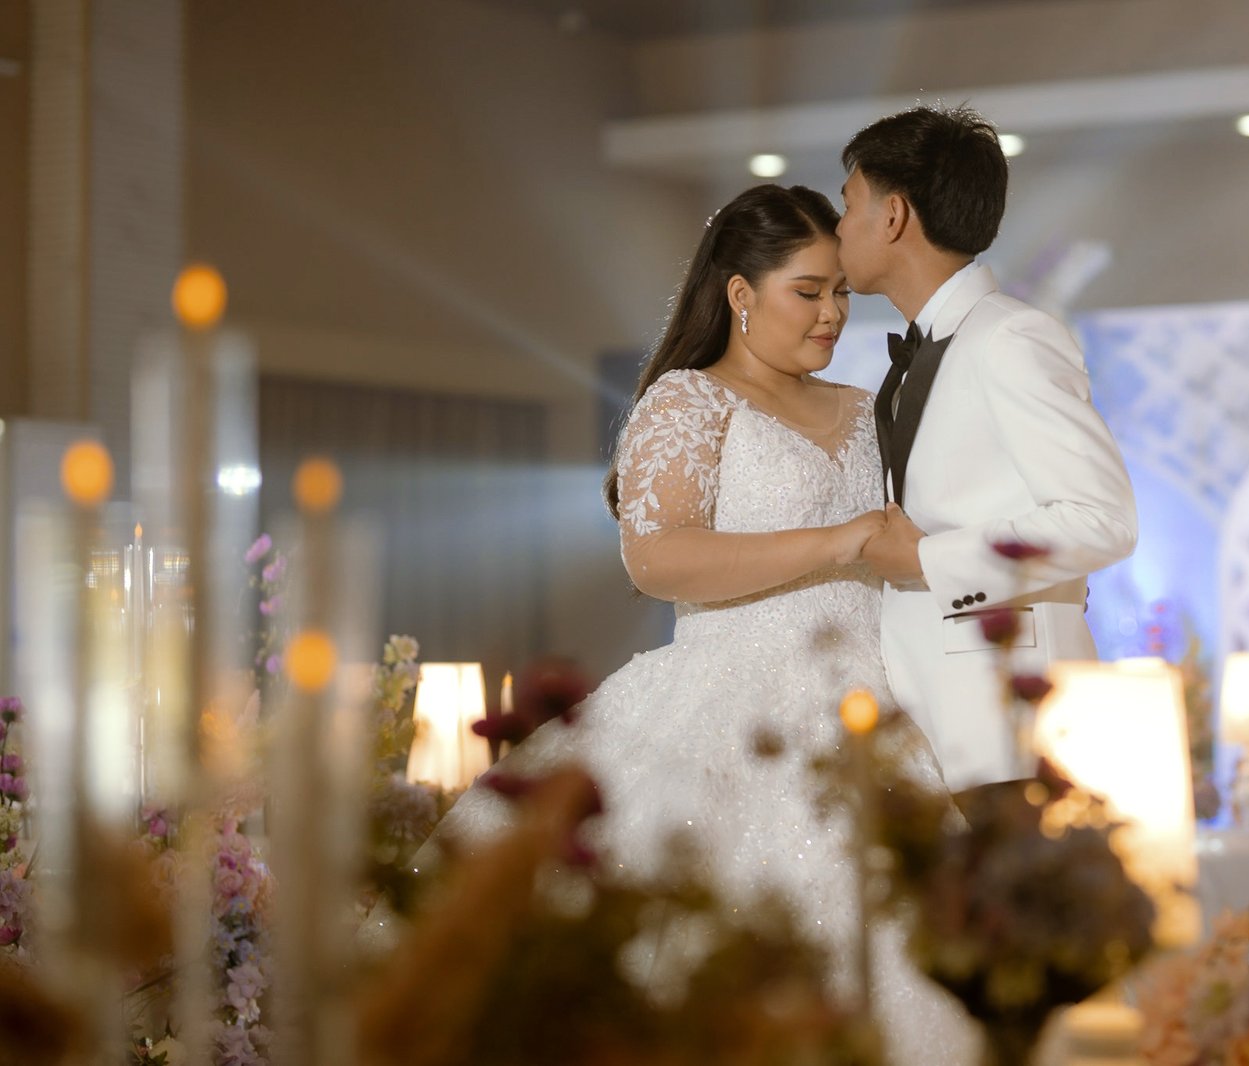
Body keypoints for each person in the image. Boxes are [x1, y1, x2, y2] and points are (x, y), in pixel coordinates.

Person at [386, 183, 981, 1064]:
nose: (831, 313)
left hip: (876, 703)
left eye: (839, 291)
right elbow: (657, 557)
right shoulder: (689, 401)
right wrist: (841, 538)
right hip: (725, 699)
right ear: (741, 294)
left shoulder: (867, 411)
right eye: (807, 292)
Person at [836, 105, 1138, 794]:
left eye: (848, 206)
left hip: (1007, 719)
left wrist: (927, 559)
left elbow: (1103, 519)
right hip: (932, 713)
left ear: (893, 217)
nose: (839, 228)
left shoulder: (1010, 338)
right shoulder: (936, 347)